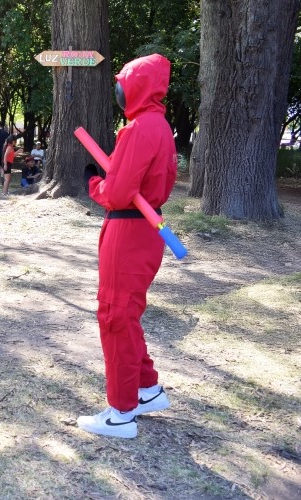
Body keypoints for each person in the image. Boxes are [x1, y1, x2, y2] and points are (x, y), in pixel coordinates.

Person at [77, 53, 176, 439]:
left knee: (115, 316)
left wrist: (94, 183)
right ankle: (146, 389)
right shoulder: (160, 126)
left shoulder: (139, 129)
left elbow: (118, 192)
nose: (118, 92)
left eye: (122, 85)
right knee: (127, 312)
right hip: (145, 231)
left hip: (130, 232)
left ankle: (121, 413)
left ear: (133, 88)